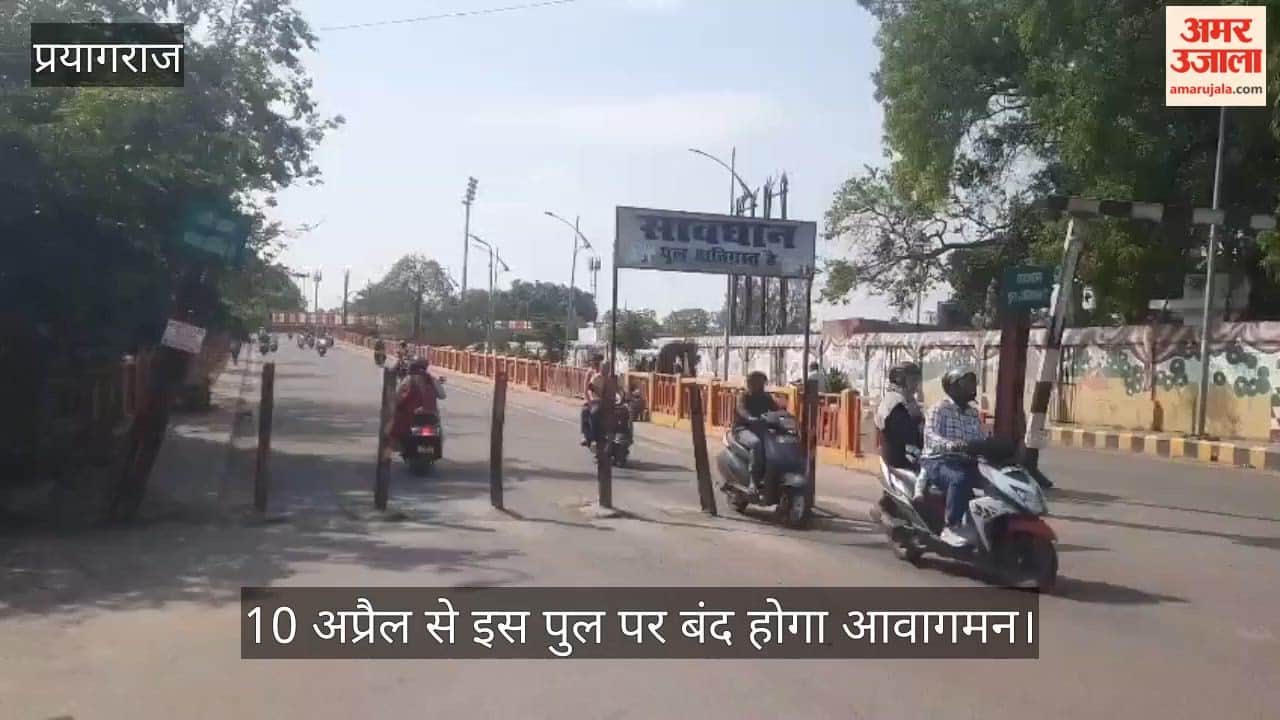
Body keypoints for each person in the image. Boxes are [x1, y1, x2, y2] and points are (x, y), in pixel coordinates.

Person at [921, 368, 988, 547]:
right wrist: (950, 444)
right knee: (959, 479)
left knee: (994, 483)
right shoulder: (940, 409)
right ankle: (951, 526)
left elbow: (980, 437)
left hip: (967, 460)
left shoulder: (973, 413)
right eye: (966, 383)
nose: (971, 387)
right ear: (953, 386)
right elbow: (930, 436)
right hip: (939, 459)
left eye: (972, 383)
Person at [875, 361, 925, 482]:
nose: (916, 384)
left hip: (905, 451)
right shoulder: (896, 403)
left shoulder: (905, 399)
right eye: (912, 380)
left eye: (917, 380)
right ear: (901, 380)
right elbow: (907, 434)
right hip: (899, 455)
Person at [734, 371, 780, 491]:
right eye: (758, 383)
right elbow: (741, 410)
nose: (761, 385)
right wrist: (749, 417)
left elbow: (776, 410)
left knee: (777, 443)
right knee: (756, 443)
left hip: (761, 429)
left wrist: (785, 417)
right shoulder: (744, 396)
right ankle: (753, 480)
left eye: (762, 383)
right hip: (743, 430)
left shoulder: (766, 397)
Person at [390, 358, 447, 451]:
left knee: (397, 421)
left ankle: (400, 446)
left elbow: (398, 395)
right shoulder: (431, 379)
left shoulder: (408, 379)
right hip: (431, 415)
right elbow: (442, 395)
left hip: (411, 415)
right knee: (438, 428)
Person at [580, 354, 604, 446]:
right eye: (594, 361)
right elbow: (585, 390)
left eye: (598, 361)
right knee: (585, 412)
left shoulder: (606, 373)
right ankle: (587, 436)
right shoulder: (590, 373)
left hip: (603, 400)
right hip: (592, 400)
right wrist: (589, 402)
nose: (595, 363)